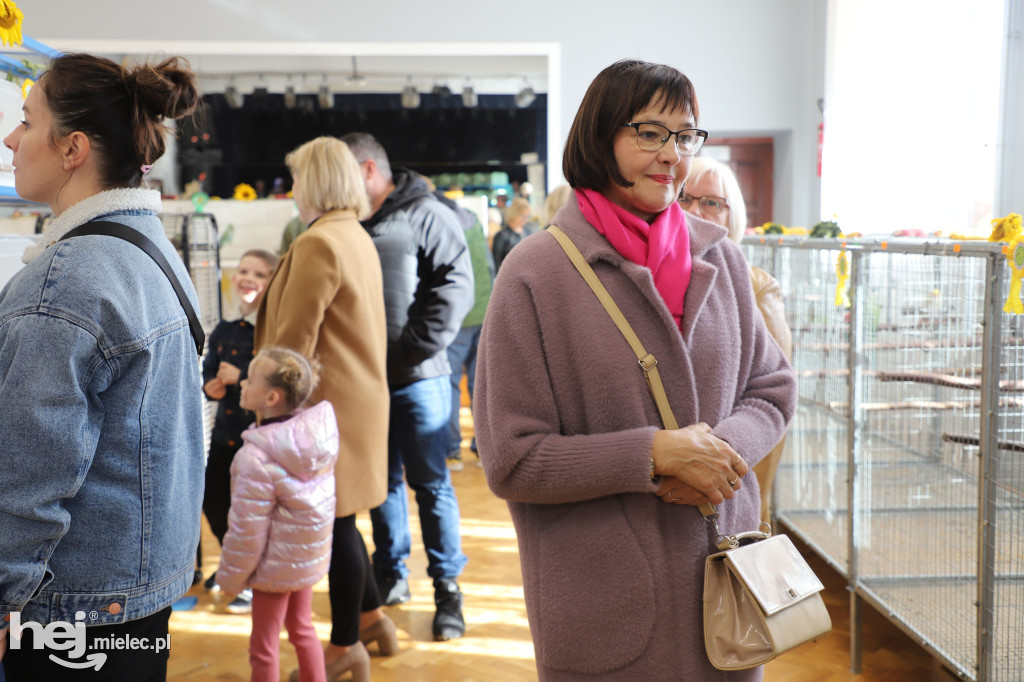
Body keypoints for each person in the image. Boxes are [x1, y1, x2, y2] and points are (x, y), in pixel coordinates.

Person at [473, 59, 797, 681]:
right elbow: (512, 459)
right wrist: (654, 455)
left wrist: (718, 452)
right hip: (604, 607)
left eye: (685, 135)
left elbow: (772, 388)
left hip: (727, 596)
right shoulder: (535, 274)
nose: (672, 154)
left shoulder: (720, 257)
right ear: (599, 139)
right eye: (650, 132)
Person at [0, 53, 204, 680]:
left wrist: (4, 596)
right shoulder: (149, 251)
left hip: (70, 608)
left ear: (73, 149)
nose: (11, 137)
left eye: (28, 122)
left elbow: (31, 469)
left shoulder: (67, 278)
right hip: (139, 592)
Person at [254, 136, 394, 681]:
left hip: (323, 409)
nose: (291, 190)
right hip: (355, 402)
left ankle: (344, 647)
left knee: (333, 524)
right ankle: (374, 618)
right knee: (346, 517)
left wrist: (267, 405)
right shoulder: (353, 234)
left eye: (296, 178)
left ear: (314, 182)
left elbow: (292, 344)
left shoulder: (318, 242)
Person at [340, 132, 474, 641]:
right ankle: (392, 574)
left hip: (420, 379)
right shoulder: (351, 221)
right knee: (383, 483)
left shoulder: (425, 212)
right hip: (366, 384)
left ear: (370, 169)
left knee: (431, 485)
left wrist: (413, 347)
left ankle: (448, 590)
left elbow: (455, 285)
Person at [682, 156, 792, 524]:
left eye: (712, 202)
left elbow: (772, 391)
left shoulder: (754, 285)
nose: (695, 210)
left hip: (728, 489)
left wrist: (745, 489)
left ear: (733, 216)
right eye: (685, 198)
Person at [216, 347, 337, 682]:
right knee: (302, 629)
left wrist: (229, 578)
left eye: (250, 378)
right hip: (305, 558)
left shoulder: (255, 458)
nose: (242, 382)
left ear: (270, 397)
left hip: (274, 568)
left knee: (263, 647)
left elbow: (246, 533)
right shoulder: (316, 435)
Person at [200, 248, 278, 614]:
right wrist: (210, 385)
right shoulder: (224, 329)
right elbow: (209, 371)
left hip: (258, 441)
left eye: (259, 274)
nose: (248, 278)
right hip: (224, 435)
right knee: (214, 499)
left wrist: (243, 376)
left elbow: (275, 381)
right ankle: (237, 566)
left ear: (272, 284)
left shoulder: (271, 331)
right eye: (243, 270)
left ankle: (253, 577)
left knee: (252, 510)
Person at [434, 191, 495, 471]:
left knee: (449, 384)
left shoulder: (439, 224)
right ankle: (483, 450)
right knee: (479, 384)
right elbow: (489, 266)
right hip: (484, 310)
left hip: (457, 315)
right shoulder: (472, 220)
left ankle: (452, 452)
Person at [492, 196, 539, 272]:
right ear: (514, 213)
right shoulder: (502, 236)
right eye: (523, 216)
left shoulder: (528, 231)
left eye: (527, 216)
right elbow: (497, 263)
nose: (526, 219)